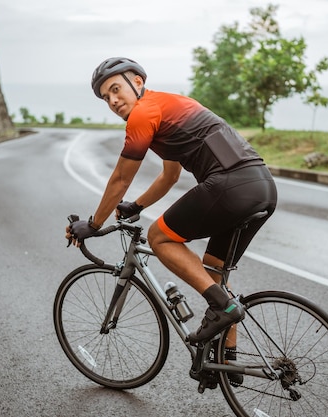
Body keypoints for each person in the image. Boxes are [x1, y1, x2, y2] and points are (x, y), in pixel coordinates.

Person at [66, 57, 277, 345]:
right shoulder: (166, 108)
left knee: (159, 237)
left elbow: (120, 179)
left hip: (231, 185)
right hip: (262, 186)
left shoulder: (143, 114)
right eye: (106, 97)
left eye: (116, 89)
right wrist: (137, 206)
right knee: (213, 272)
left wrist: (93, 224)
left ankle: (224, 309)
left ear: (137, 82)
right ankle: (227, 359)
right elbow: (170, 175)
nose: (113, 100)